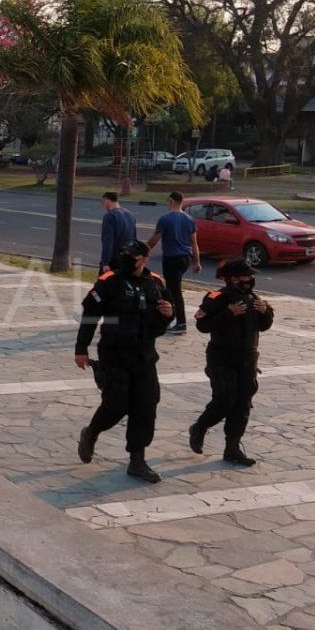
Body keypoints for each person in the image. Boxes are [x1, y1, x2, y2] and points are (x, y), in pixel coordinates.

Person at [75, 240, 174, 483]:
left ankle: (137, 460)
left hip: (144, 356)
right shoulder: (109, 281)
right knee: (116, 405)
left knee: (146, 405)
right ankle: (91, 433)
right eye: (124, 254)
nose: (127, 258)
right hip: (114, 354)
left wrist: (168, 314)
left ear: (144, 260)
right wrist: (81, 349)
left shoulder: (157, 283)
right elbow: (90, 316)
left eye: (132, 255)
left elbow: (165, 320)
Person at [188, 259, 273, 467]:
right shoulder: (216, 298)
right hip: (222, 358)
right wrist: (228, 313)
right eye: (246, 276)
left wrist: (265, 312)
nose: (250, 280)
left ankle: (232, 448)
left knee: (242, 403)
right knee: (225, 399)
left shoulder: (254, 298)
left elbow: (263, 326)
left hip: (247, 358)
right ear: (233, 278)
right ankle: (200, 427)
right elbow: (202, 325)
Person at [146, 192, 202, 335]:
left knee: (173, 291)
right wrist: (197, 262)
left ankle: (180, 322)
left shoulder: (165, 219)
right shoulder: (190, 219)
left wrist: (143, 251)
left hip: (172, 258)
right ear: (182, 202)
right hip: (185, 258)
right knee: (173, 288)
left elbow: (155, 238)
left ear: (170, 201)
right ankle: (174, 318)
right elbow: (194, 243)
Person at [99, 192, 137, 274]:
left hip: (114, 258)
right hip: (127, 258)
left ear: (107, 201)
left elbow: (108, 241)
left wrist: (105, 262)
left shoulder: (110, 216)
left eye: (103, 202)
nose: (103, 205)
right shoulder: (130, 215)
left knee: (104, 285)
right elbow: (134, 238)